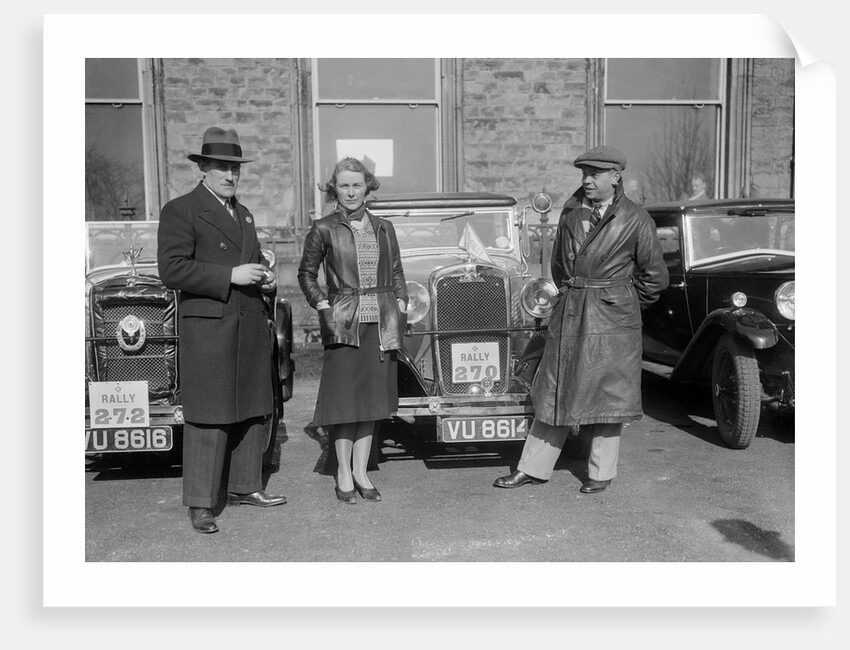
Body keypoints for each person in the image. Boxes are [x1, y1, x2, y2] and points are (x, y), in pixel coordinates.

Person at [494, 145, 669, 494]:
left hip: (612, 320)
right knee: (553, 390)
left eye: (595, 174)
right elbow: (560, 267)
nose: (587, 180)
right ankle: (532, 468)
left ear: (615, 177)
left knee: (608, 398)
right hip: (572, 310)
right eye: (584, 174)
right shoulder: (571, 214)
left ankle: (600, 474)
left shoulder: (636, 219)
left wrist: (622, 307)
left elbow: (655, 278)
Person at [158, 127, 287, 534]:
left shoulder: (243, 213)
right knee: (209, 415)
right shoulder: (181, 210)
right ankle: (201, 503)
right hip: (210, 329)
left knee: (251, 408)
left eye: (235, 168)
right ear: (203, 169)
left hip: (247, 323)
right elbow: (171, 269)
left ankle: (244, 487)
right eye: (222, 168)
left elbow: (251, 266)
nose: (231, 176)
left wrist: (266, 281)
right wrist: (230, 274)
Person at [298, 157, 408, 504]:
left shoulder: (384, 227)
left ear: (367, 187)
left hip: (381, 324)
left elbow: (397, 271)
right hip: (345, 322)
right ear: (335, 188)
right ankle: (343, 472)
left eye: (356, 185)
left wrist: (401, 304)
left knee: (371, 404)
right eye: (343, 185)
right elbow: (306, 274)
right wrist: (323, 306)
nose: (350, 192)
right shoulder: (323, 227)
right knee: (344, 404)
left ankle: (362, 472)